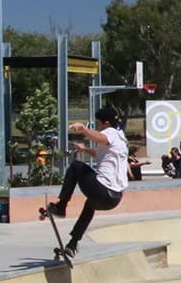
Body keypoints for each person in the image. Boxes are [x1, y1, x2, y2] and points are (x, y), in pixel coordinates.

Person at [44, 105, 130, 258]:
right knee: (89, 205)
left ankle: (61, 206)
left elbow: (102, 138)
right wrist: (84, 150)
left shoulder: (109, 133)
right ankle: (73, 244)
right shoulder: (120, 138)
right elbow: (99, 152)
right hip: (114, 198)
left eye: (98, 124)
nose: (97, 127)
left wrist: (84, 130)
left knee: (76, 166)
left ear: (106, 123)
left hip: (103, 190)